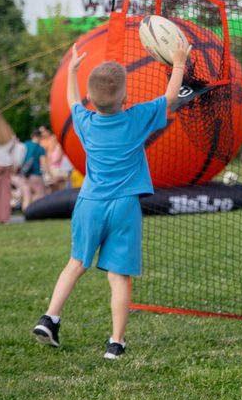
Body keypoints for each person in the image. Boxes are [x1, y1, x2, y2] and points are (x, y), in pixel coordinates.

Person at [32, 34, 190, 360]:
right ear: (126, 96)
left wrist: (72, 71)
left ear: (91, 98)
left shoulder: (84, 121)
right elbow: (171, 97)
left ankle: (50, 318)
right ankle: (115, 343)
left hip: (89, 203)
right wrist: (178, 63)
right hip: (124, 206)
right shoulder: (136, 118)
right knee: (119, 277)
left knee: (76, 263)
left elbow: (72, 101)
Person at [19, 128, 47, 210]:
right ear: (40, 137)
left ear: (32, 136)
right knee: (40, 194)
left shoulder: (25, 145)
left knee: (27, 196)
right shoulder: (40, 148)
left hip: (24, 174)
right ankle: (34, 211)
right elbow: (44, 164)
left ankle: (25, 211)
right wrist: (47, 174)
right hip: (36, 174)